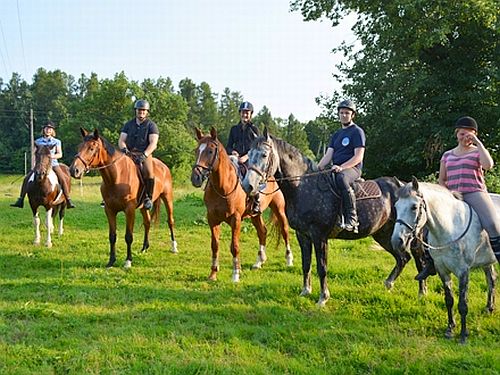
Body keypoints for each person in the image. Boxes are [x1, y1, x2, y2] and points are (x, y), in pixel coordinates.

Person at [416, 116, 500, 280]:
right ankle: (430, 263)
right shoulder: (447, 155)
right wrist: (444, 197)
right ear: (457, 134)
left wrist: (478, 142)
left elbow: (488, 165)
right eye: (462, 134)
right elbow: (442, 180)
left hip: (475, 193)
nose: (465, 138)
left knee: (492, 224)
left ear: (474, 134)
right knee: (427, 228)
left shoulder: (477, 152)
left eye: (469, 134)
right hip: (452, 197)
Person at [317, 99, 366, 233]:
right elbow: (328, 156)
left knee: (341, 178)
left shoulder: (357, 132)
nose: (344, 115)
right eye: (341, 113)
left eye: (347, 113)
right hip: (336, 169)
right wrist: (317, 168)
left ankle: (352, 218)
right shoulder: (336, 135)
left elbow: (358, 157)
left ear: (352, 115)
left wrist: (342, 167)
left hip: (353, 169)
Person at [11, 121, 76, 209]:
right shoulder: (38, 141)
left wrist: (49, 157)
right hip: (39, 165)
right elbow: (34, 154)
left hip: (53, 164)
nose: (48, 130)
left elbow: (60, 154)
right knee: (27, 178)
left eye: (50, 129)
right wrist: (34, 165)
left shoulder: (57, 142)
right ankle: (20, 199)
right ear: (43, 130)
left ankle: (68, 199)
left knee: (63, 178)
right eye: (46, 128)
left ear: (52, 130)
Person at [118, 99, 159, 210]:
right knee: (115, 169)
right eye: (139, 110)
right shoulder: (128, 124)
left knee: (149, 173)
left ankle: (148, 198)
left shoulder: (152, 126)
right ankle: (109, 196)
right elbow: (121, 140)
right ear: (135, 111)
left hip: (144, 154)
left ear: (147, 112)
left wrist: (144, 155)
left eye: (143, 110)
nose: (141, 112)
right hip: (129, 153)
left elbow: (153, 143)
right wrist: (125, 150)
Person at [226, 101, 261, 213]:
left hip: (250, 158)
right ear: (240, 113)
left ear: (251, 114)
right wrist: (233, 151)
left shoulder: (254, 129)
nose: (245, 115)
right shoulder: (234, 129)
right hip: (235, 158)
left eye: (247, 113)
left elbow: (257, 148)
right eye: (243, 112)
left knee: (251, 176)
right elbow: (228, 146)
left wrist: (246, 156)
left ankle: (256, 201)